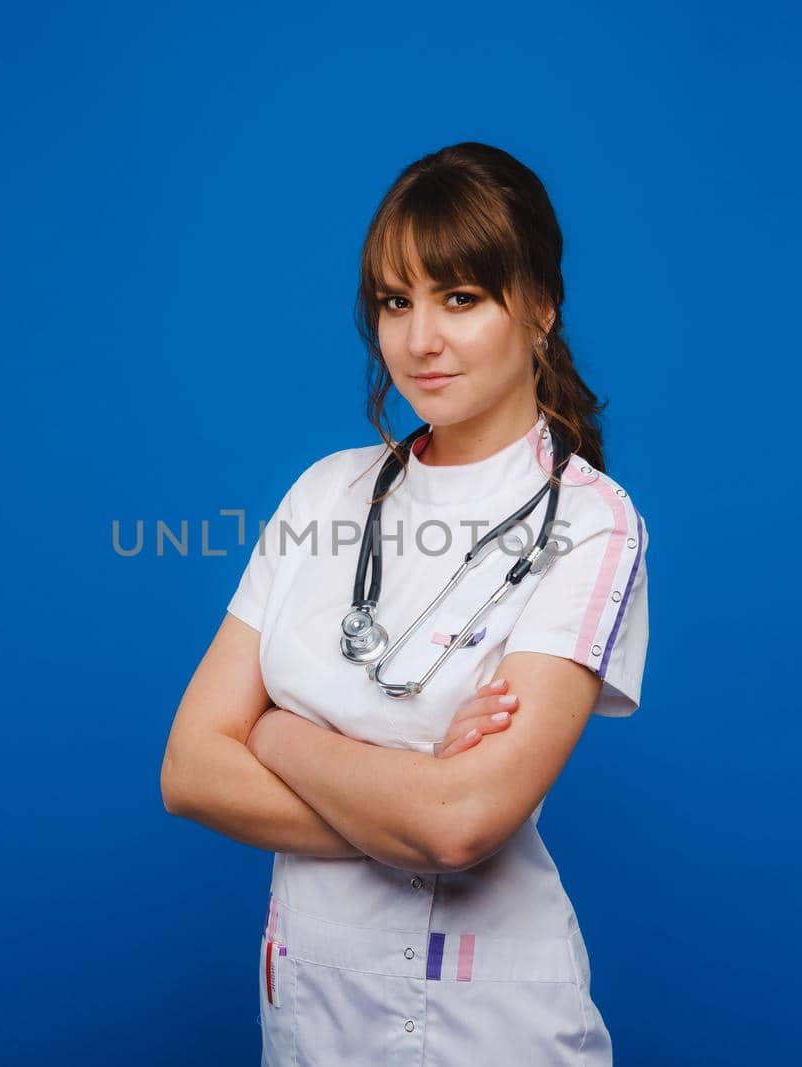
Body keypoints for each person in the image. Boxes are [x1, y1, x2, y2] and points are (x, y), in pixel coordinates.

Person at [160, 141, 651, 1065]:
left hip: (490, 1029)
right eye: (397, 302)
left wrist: (273, 734)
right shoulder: (325, 495)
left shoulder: (592, 523)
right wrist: (412, 800)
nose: (419, 339)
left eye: (460, 298)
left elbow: (460, 825)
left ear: (540, 306)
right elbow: (188, 768)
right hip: (309, 1016)